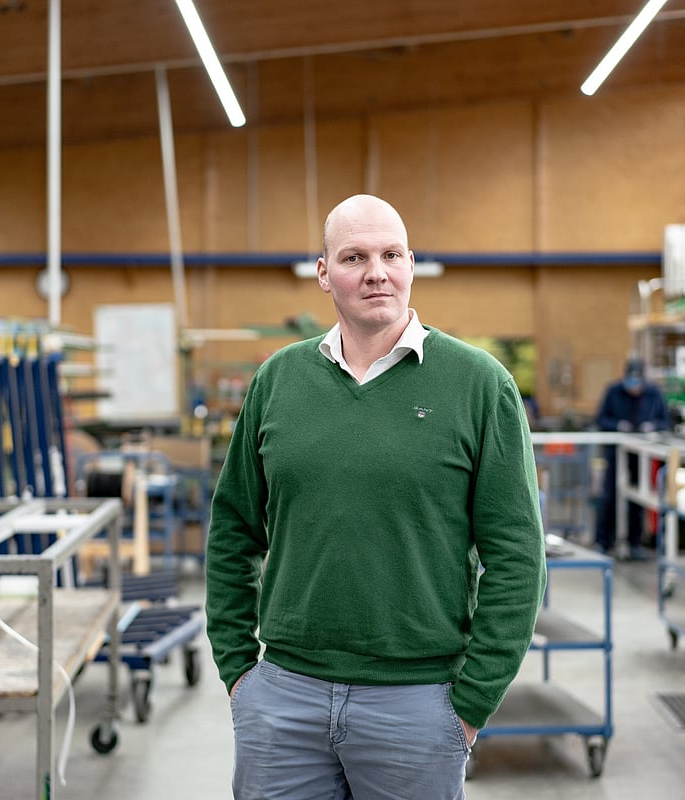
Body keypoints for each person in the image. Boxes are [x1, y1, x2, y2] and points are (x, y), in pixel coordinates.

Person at [204, 193, 547, 800]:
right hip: (284, 700)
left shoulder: (479, 384)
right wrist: (239, 675)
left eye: (392, 254)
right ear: (323, 273)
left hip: (419, 705)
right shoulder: (278, 381)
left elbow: (518, 554)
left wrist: (470, 704)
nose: (376, 273)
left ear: (412, 263)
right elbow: (232, 528)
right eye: (354, 257)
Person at [594, 357, 670, 560]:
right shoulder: (613, 391)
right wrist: (618, 425)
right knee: (609, 496)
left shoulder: (654, 394)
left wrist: (652, 426)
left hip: (641, 454)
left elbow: (665, 421)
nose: (634, 387)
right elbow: (601, 419)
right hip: (616, 450)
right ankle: (603, 542)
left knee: (638, 497)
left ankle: (634, 542)